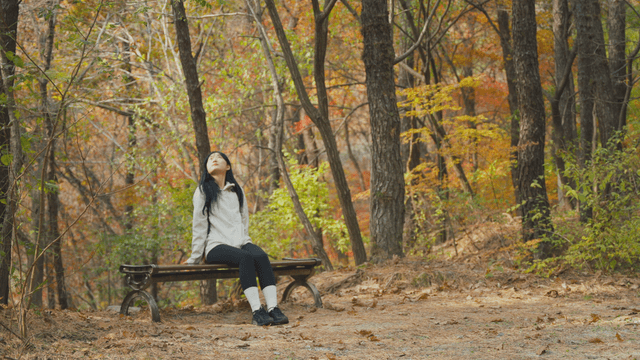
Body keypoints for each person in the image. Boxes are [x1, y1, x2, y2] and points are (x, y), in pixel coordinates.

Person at [185, 151, 289, 326]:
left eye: (218, 157)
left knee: (261, 256)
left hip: (240, 243)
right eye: (210, 159)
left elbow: (244, 219)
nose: (213, 159)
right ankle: (257, 311)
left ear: (228, 166)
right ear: (206, 168)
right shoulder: (203, 191)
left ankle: (273, 308)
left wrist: (244, 240)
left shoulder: (237, 190)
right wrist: (195, 257)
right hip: (215, 246)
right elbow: (199, 225)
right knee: (246, 258)